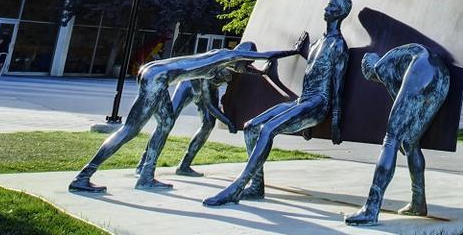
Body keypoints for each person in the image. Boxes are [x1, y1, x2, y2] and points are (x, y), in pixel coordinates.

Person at [68, 41, 294, 193]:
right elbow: (264, 55)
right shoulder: (225, 55)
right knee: (130, 130)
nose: (244, 67)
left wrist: (263, 71)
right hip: (157, 77)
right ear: (241, 56)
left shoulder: (214, 66)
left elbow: (244, 74)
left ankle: (146, 175)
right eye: (245, 62)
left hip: (158, 76)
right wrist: (293, 51)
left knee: (165, 124)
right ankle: (83, 177)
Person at [204, 0, 354, 207]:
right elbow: (311, 73)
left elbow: (338, 85)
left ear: (339, 13)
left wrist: (336, 121)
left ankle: (237, 186)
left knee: (267, 129)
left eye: (331, 6)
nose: (326, 8)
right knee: (251, 127)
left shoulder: (338, 45)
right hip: (303, 101)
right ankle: (256, 187)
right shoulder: (319, 42)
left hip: (318, 103)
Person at [344, 43, 451, 226]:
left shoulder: (380, 67)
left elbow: (398, 100)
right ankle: (418, 202)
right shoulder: (399, 57)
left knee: (391, 139)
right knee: (411, 142)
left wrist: (397, 132)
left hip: (422, 70)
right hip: (442, 76)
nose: (373, 79)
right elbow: (405, 104)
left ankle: (371, 209)